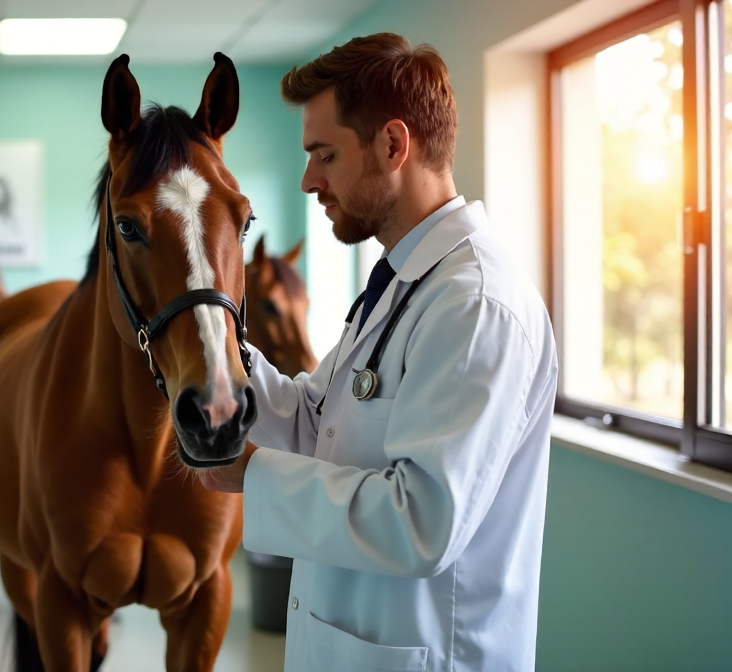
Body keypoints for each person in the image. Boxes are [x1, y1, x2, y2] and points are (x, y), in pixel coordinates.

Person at [199, 33, 558, 672]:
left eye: (324, 154)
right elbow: (317, 420)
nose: (309, 179)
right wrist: (219, 349)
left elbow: (421, 522)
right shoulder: (402, 283)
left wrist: (251, 474)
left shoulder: (473, 305)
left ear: (393, 145)